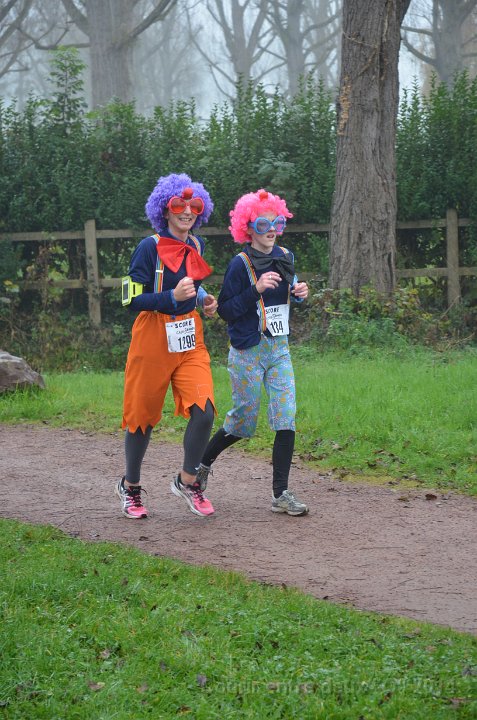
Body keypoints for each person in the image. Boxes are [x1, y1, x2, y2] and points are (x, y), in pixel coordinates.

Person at [198, 188, 309, 516]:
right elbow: (226, 310)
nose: (271, 230)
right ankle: (202, 465)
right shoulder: (240, 264)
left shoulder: (285, 256)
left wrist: (298, 292)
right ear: (247, 228)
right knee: (242, 423)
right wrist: (255, 290)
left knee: (285, 416)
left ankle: (281, 494)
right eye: (263, 224)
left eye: (277, 223)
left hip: (279, 349)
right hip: (247, 351)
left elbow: (289, 290)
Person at [116, 172, 218, 519]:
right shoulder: (148, 247)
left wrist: (203, 299)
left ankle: (187, 481)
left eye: (194, 205)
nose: (187, 211)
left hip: (189, 334)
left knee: (204, 410)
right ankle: (130, 487)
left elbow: (192, 285)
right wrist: (170, 297)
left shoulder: (196, 245)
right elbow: (130, 299)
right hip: (152, 335)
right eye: (179, 205)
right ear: (165, 209)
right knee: (141, 418)